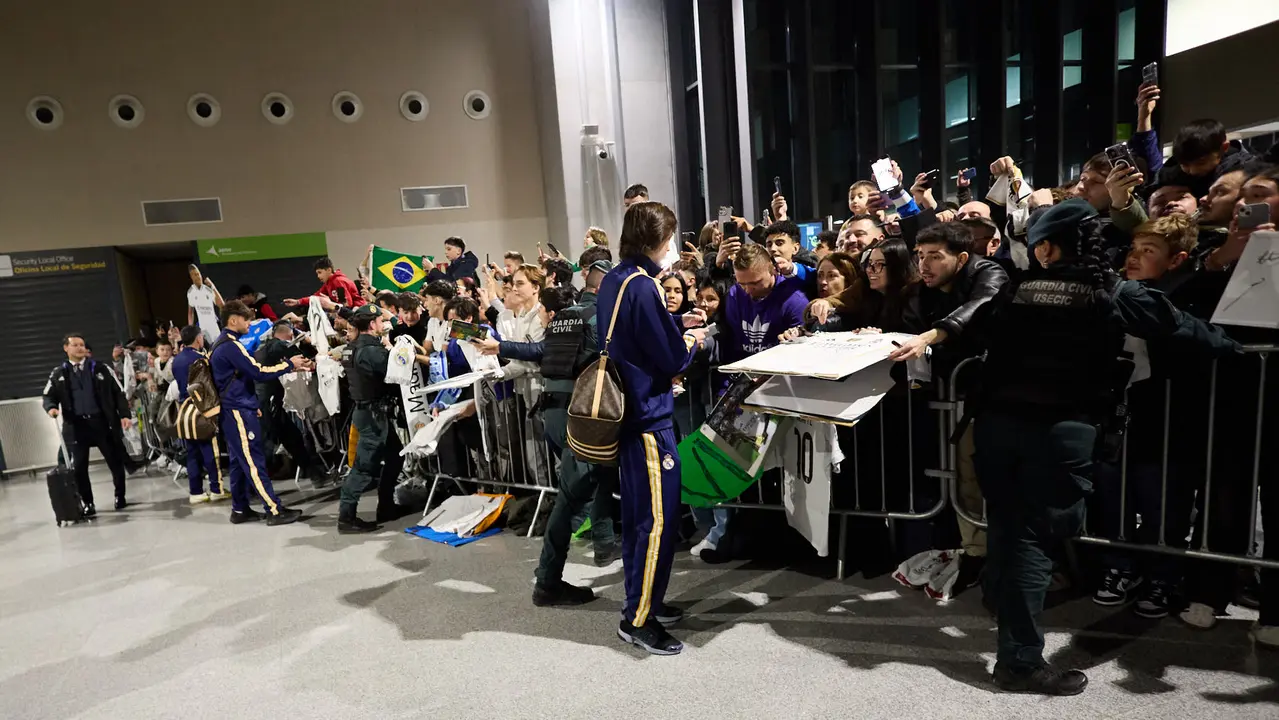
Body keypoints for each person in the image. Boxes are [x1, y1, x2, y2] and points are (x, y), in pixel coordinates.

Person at [970, 199, 1240, 695]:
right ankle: (1020, 662)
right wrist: (1236, 349)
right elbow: (1190, 332)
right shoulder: (1112, 292)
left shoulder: (1018, 288)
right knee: (1034, 542)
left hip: (994, 429)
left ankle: (1010, 623)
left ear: (1050, 246)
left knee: (1008, 534)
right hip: (1058, 433)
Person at [596, 201, 708, 655]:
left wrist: (676, 322)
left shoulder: (615, 280)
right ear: (661, 241)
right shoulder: (644, 287)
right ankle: (638, 619)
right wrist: (691, 338)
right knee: (656, 523)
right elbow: (672, 359)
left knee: (644, 520)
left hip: (632, 413)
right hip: (648, 419)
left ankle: (646, 601)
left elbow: (631, 336)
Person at [210, 301, 309, 526]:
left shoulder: (220, 344)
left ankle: (240, 508)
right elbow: (258, 371)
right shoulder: (230, 346)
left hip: (234, 408)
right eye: (246, 320)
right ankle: (274, 509)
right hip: (237, 411)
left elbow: (237, 379)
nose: (249, 324)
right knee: (254, 461)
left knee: (238, 462)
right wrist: (289, 365)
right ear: (233, 320)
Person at [887, 223, 1008, 363]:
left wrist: (931, 336)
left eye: (935, 257)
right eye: (921, 257)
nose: (924, 266)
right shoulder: (921, 288)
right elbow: (909, 325)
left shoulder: (989, 272)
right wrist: (880, 336)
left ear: (962, 259)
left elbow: (982, 303)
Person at [42, 333, 132, 514]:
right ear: (66, 348)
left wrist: (124, 415)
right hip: (76, 427)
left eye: (82, 345)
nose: (80, 348)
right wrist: (51, 408)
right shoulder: (59, 373)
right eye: (75, 345)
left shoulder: (100, 369)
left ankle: (120, 496)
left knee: (115, 462)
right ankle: (88, 502)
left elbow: (118, 393)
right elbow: (48, 395)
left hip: (102, 423)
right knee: (79, 467)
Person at [337, 304, 398, 533]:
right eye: (380, 321)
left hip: (366, 411)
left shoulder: (350, 349)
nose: (382, 324)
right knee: (363, 467)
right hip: (373, 414)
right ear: (372, 324)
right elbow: (393, 373)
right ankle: (347, 517)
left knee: (395, 456)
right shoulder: (372, 351)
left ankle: (387, 505)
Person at [254, 320, 328, 487]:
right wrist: (308, 344)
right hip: (269, 403)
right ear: (289, 334)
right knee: (269, 444)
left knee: (290, 438)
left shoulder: (262, 349)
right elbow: (303, 358)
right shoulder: (278, 346)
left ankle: (315, 474)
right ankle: (254, 487)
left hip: (265, 402)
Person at [171, 325, 228, 504]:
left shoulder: (177, 360)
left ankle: (195, 491)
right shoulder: (201, 359)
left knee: (192, 452)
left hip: (184, 410)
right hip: (201, 410)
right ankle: (216, 488)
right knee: (210, 450)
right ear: (198, 339)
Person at [283, 257, 365, 309]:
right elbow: (315, 297)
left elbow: (347, 305)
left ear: (329, 270)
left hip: (359, 310)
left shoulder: (338, 282)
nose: (318, 276)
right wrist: (297, 302)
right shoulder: (328, 284)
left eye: (320, 272)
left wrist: (331, 306)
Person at [186, 265, 225, 344]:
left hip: (214, 328)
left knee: (218, 348)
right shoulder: (190, 292)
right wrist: (190, 328)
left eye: (198, 274)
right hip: (202, 329)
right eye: (195, 275)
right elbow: (190, 312)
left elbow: (222, 305)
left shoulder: (208, 289)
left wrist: (212, 286)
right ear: (191, 277)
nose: (198, 277)